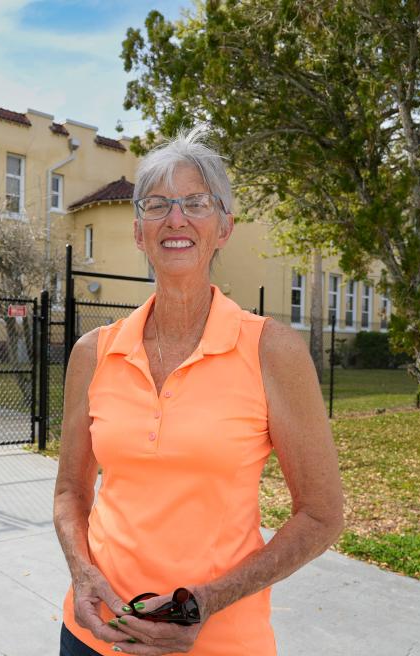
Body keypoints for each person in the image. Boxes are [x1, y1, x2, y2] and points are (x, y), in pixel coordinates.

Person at [53, 126, 344, 655]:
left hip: (220, 643)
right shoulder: (93, 353)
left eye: (196, 202)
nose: (176, 219)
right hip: (92, 636)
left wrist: (202, 603)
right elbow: (70, 493)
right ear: (139, 231)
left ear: (224, 227)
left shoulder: (271, 350)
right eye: (158, 204)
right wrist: (83, 575)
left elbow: (322, 516)